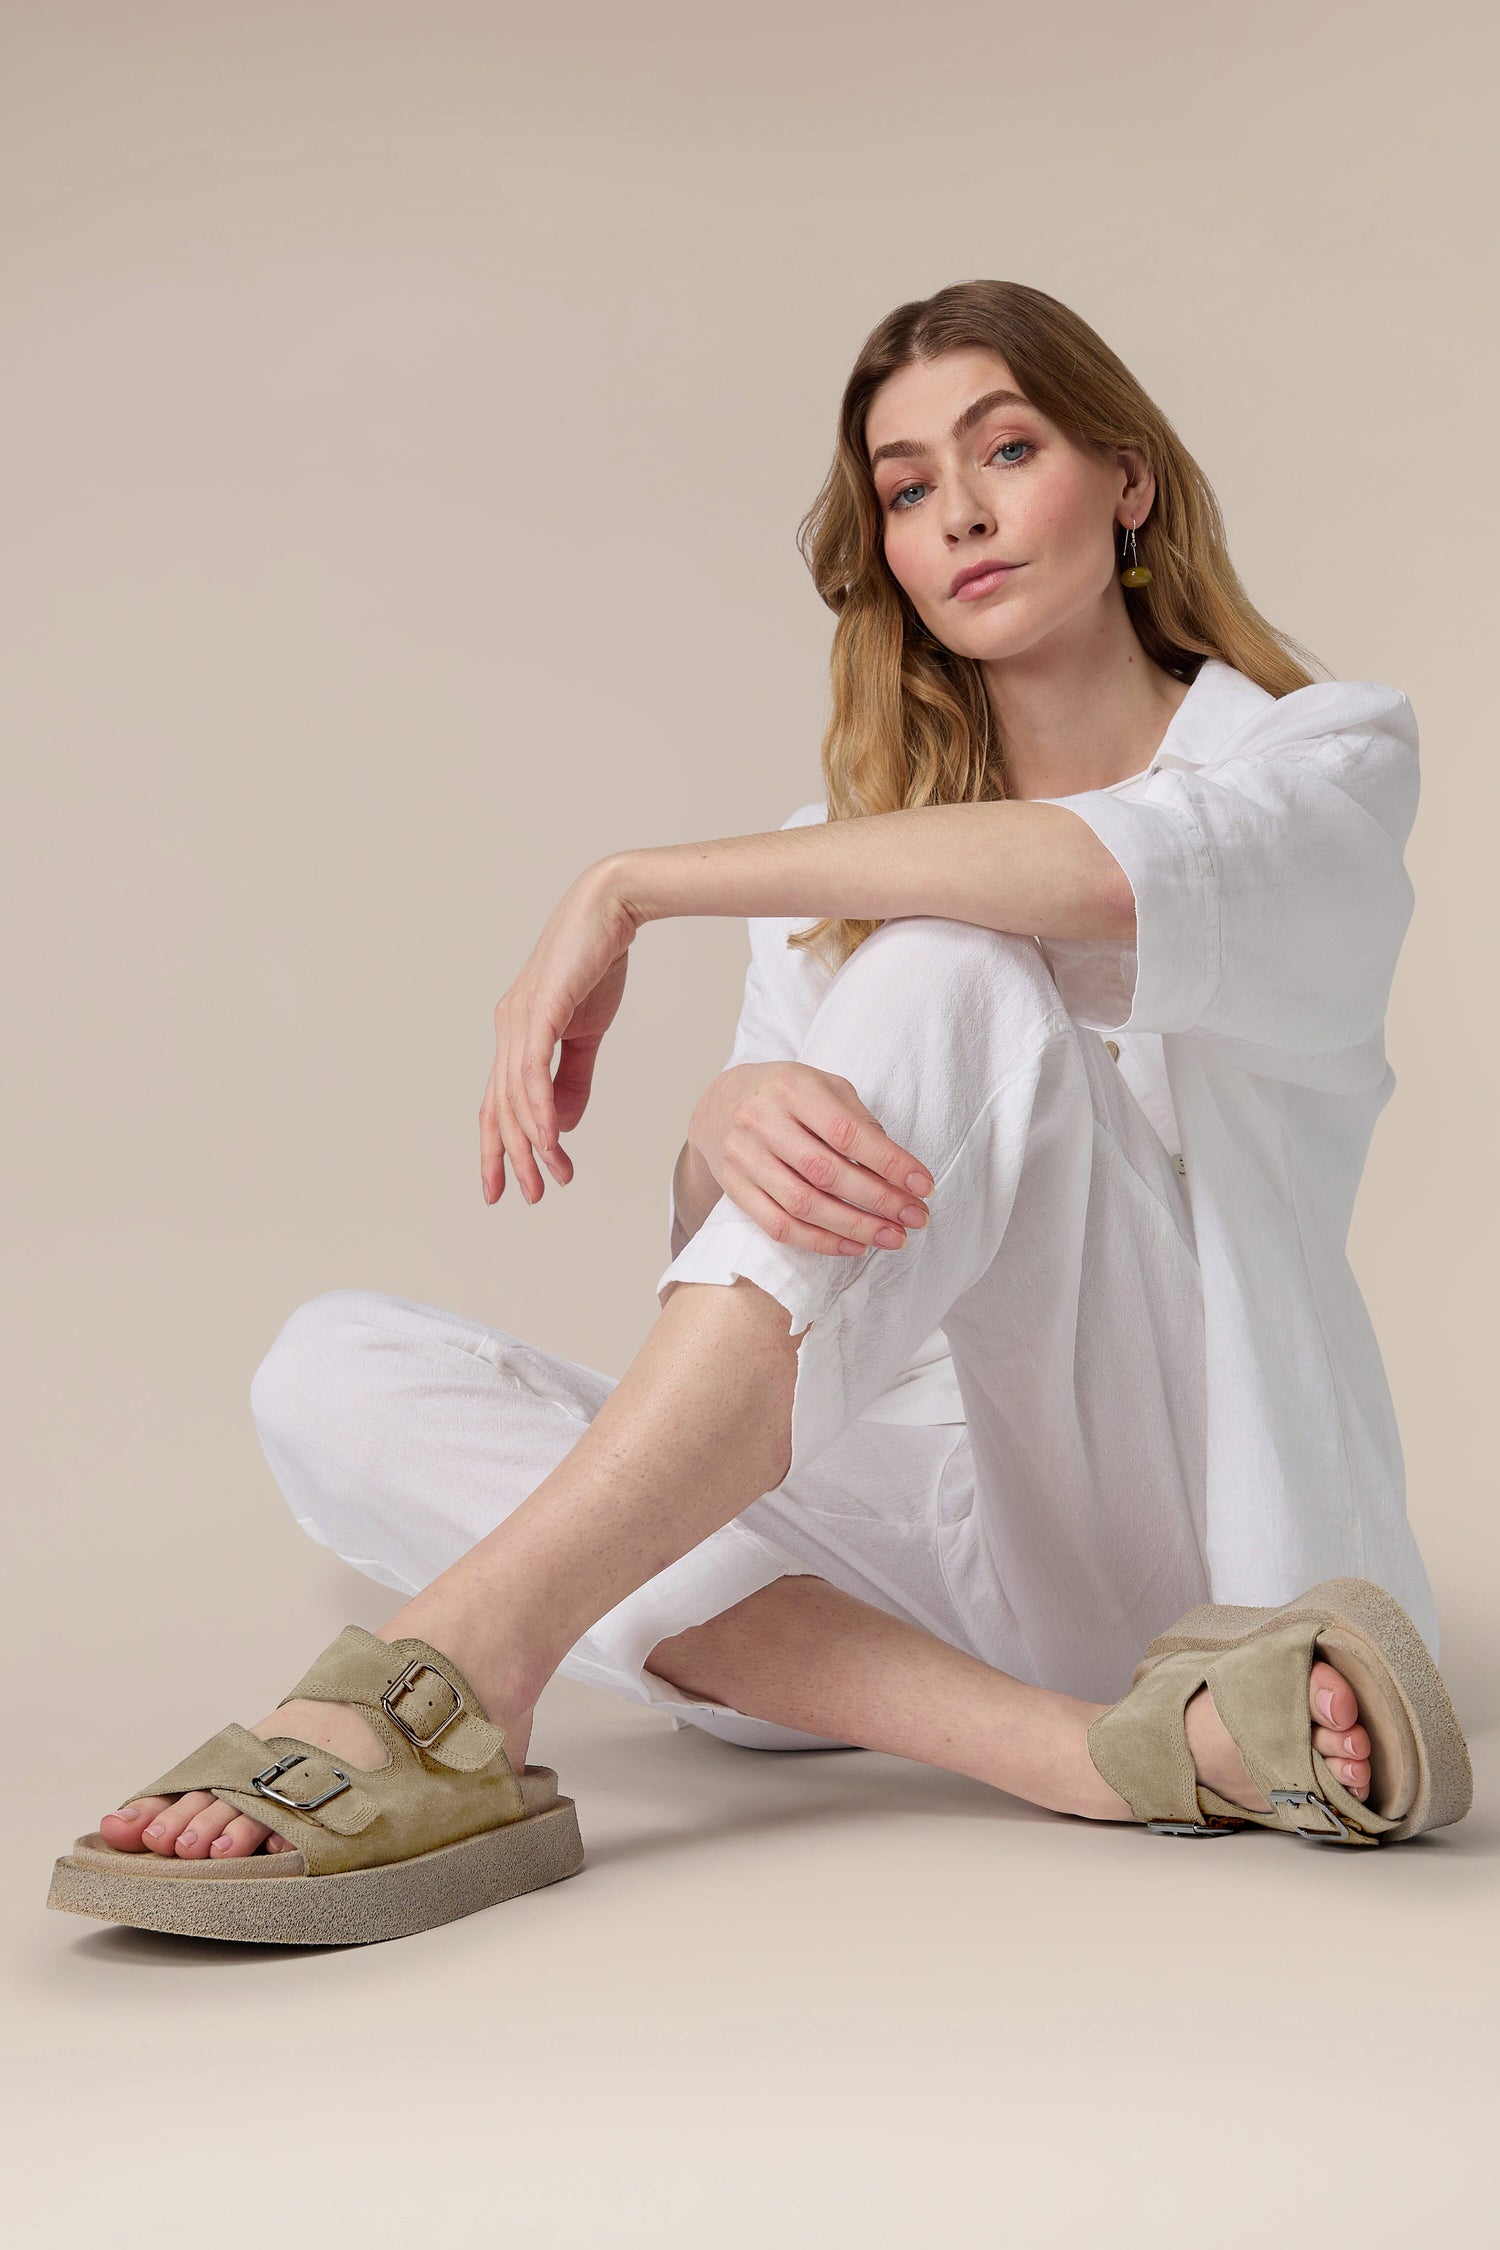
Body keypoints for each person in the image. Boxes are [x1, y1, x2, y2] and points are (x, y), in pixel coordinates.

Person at [52, 280, 1471, 1944]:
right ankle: (1086, 1751)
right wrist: (721, 1128)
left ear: (1129, 478)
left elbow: (1083, 875)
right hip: (937, 1530)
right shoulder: (847, 844)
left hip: (1202, 1540)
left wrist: (633, 884)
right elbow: (744, 1286)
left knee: (952, 959)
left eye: (1005, 449)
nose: (963, 514)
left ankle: (456, 1664)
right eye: (909, 487)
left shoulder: (1316, 760)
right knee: (327, 1367)